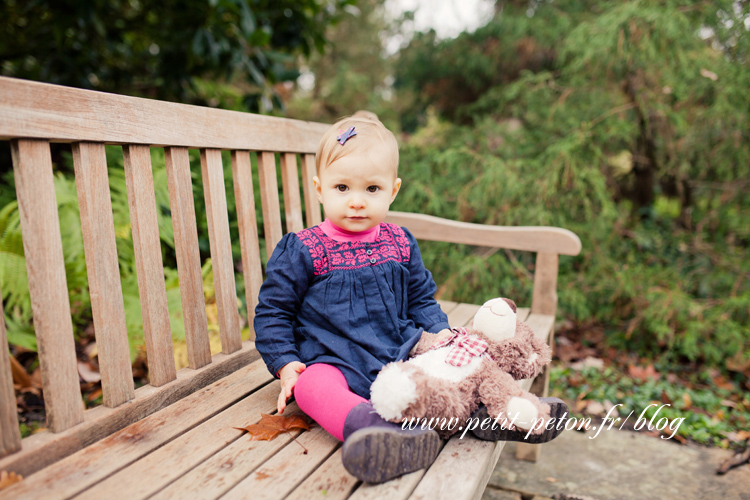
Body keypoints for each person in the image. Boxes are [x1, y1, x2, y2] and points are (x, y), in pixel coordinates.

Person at [254, 114, 450, 483]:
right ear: (319, 188)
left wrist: (439, 333)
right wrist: (286, 362)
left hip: (399, 350)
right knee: (311, 387)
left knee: (448, 365)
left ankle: (493, 413)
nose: (356, 202)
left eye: (371, 190)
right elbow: (273, 312)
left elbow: (421, 298)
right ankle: (370, 431)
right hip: (332, 359)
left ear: (393, 190)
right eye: (342, 188)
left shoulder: (400, 241)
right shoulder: (303, 249)